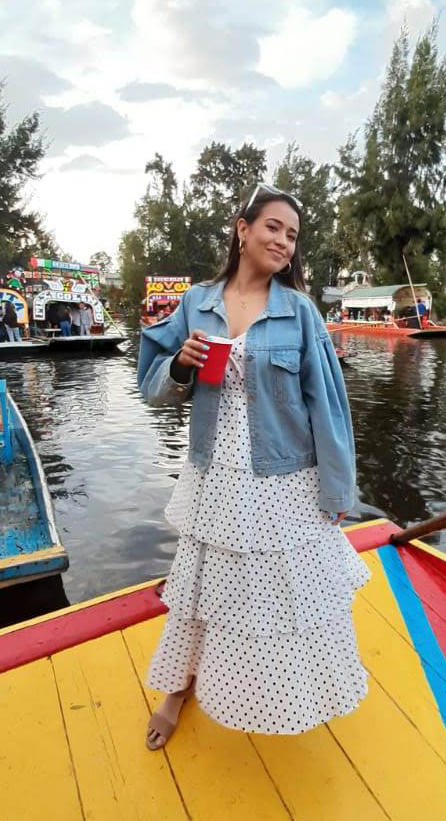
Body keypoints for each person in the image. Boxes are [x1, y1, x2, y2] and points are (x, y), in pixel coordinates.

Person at [138, 183, 370, 750]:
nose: (284, 242)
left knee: (279, 591)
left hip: (284, 476)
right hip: (215, 472)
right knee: (201, 583)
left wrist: (339, 488)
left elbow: (328, 406)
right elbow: (151, 380)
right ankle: (178, 688)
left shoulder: (300, 312)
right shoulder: (197, 301)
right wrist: (180, 366)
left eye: (292, 235)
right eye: (273, 227)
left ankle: (292, 686)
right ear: (243, 229)